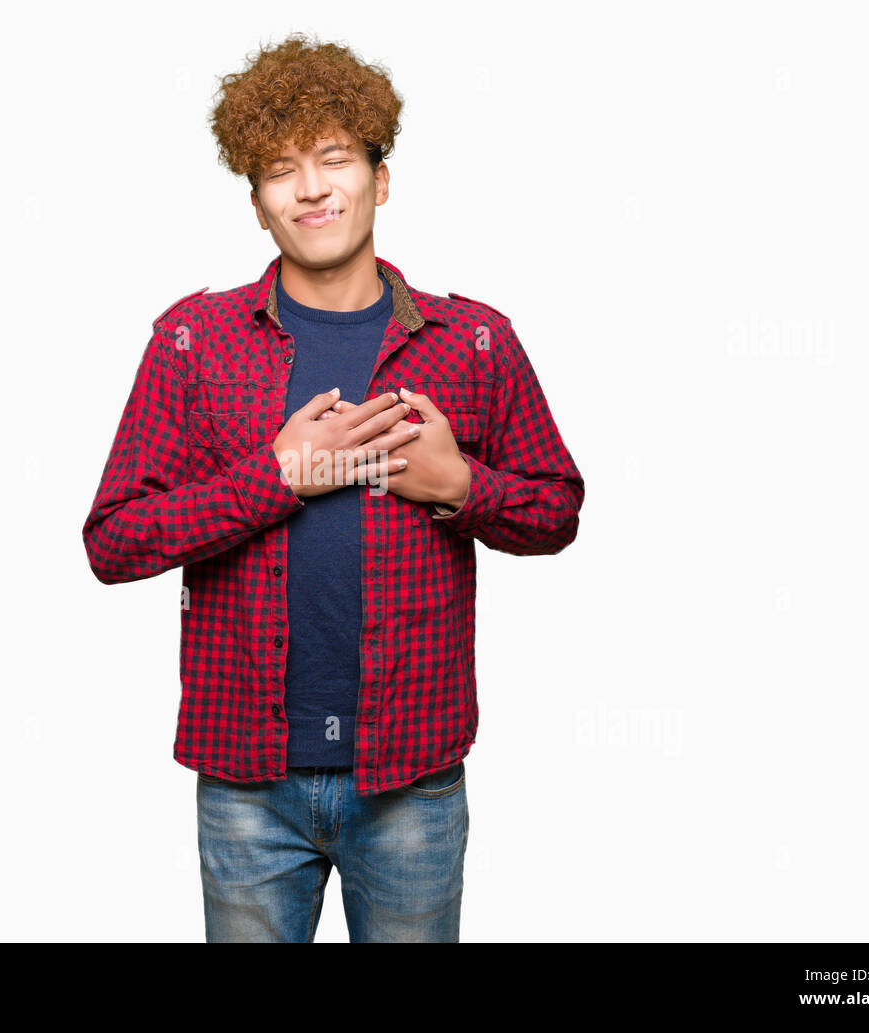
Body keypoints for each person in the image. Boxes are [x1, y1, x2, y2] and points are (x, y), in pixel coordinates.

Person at [82, 33, 585, 942]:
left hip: (413, 782)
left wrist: (460, 484)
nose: (311, 187)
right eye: (281, 170)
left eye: (334, 158)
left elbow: (557, 507)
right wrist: (273, 479)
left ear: (379, 180)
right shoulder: (194, 343)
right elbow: (113, 540)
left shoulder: (473, 342)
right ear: (258, 202)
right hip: (247, 784)